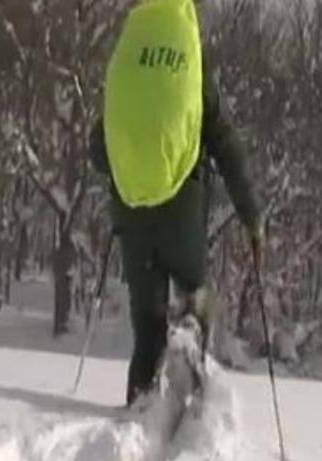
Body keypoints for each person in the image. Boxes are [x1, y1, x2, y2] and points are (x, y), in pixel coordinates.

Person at [90, 0, 262, 407]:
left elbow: (99, 151)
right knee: (194, 301)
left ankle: (138, 419)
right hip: (181, 209)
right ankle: (194, 415)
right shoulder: (192, 72)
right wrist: (252, 216)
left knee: (147, 330)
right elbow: (227, 147)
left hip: (130, 210)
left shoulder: (128, 62)